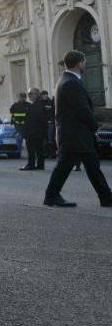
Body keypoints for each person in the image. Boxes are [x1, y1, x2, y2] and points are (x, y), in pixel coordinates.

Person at [43, 50, 112, 208]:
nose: (85, 65)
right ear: (79, 63)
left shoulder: (65, 79)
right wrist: (94, 126)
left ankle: (106, 197)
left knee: (92, 166)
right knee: (68, 166)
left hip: (74, 134)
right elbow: (82, 109)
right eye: (84, 62)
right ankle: (51, 195)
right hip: (75, 134)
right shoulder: (72, 82)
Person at [23, 87, 48, 171]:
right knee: (38, 149)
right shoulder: (35, 105)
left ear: (37, 94)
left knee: (32, 149)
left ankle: (31, 164)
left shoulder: (37, 105)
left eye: (30, 94)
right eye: (28, 94)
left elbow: (41, 119)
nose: (29, 96)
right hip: (35, 131)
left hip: (34, 132)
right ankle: (40, 165)